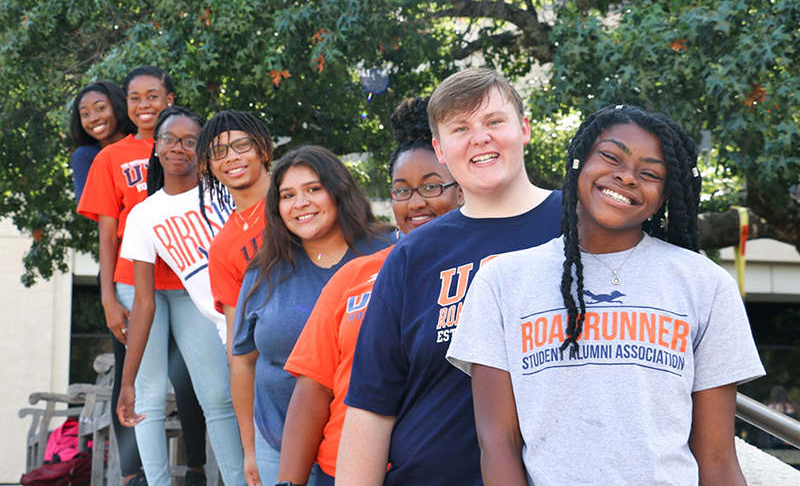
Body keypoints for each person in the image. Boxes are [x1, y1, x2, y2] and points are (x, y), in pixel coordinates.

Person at [447, 104, 765, 485]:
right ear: (579, 162)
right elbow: (498, 441)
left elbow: (716, 458)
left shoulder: (705, 285)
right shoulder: (502, 281)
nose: (627, 177)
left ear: (664, 197)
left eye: (649, 174)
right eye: (611, 157)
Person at [337, 68, 562, 486]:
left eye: (494, 121)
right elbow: (371, 406)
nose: (480, 138)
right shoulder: (412, 256)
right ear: (441, 150)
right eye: (461, 128)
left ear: (524, 129)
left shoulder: (581, 227)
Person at [278, 97, 463, 486]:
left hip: (436, 470)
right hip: (342, 469)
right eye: (401, 190)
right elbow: (312, 390)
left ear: (460, 190)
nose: (416, 203)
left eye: (431, 186)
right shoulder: (354, 276)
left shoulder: (489, 268)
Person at [231, 145, 396, 486]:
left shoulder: (389, 253)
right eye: (287, 195)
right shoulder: (263, 273)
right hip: (275, 442)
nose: (300, 203)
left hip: (370, 443)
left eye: (313, 189)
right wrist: (249, 448)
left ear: (338, 192)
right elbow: (243, 362)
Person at [77, 66, 207, 485]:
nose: (144, 105)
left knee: (201, 383)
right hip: (135, 285)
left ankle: (198, 469)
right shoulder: (109, 158)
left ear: (170, 99)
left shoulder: (194, 147)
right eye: (135, 98)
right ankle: (143, 477)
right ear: (126, 105)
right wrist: (108, 297)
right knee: (140, 383)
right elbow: (108, 234)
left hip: (190, 282)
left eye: (153, 96)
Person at [116, 106, 245, 486]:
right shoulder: (144, 214)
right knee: (148, 400)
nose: (179, 148)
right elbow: (143, 302)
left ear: (202, 150)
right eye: (170, 139)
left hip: (235, 315)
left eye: (190, 141)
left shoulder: (223, 195)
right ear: (155, 146)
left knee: (218, 398)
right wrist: (127, 379)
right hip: (203, 309)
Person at [196, 110, 273, 356]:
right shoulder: (222, 248)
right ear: (209, 165)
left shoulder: (298, 204)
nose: (232, 157)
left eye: (241, 145)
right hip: (275, 366)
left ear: (262, 150)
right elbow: (237, 338)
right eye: (219, 152)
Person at [69, 80, 136, 203]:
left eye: (100, 108)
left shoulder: (145, 143)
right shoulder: (85, 157)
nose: (93, 118)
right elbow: (95, 210)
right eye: (85, 114)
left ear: (117, 106)